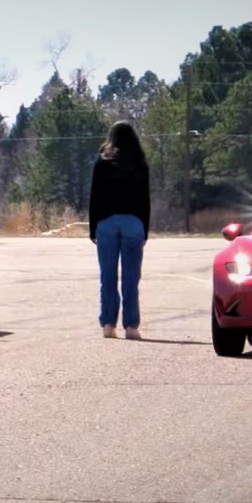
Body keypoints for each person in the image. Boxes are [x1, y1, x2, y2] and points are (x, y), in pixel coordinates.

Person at [88, 120, 151, 339]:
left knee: (108, 276)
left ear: (112, 137)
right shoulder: (140, 163)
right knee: (131, 277)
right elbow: (145, 200)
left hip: (106, 223)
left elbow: (94, 198)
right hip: (133, 223)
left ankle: (108, 324)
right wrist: (145, 228)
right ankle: (131, 326)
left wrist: (92, 228)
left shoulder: (102, 163)